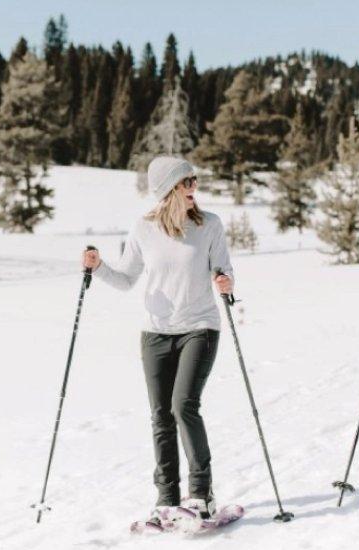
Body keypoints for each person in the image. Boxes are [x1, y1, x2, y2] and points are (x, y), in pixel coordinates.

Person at [82, 156, 233, 519]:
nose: (194, 187)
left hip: (199, 328)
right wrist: (98, 267)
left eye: (194, 181)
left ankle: (201, 494)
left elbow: (223, 269)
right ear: (168, 190)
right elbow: (125, 280)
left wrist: (225, 282)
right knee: (161, 416)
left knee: (184, 405)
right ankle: (167, 498)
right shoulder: (143, 229)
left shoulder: (210, 225)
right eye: (186, 182)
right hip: (156, 334)